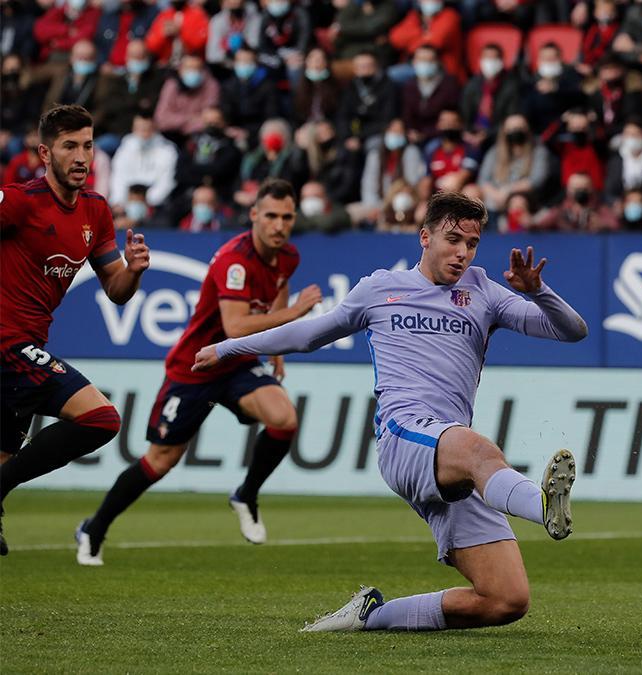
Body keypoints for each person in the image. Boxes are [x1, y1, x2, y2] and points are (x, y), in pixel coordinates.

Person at [191, 192, 588, 633]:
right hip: (404, 438)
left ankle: (371, 616)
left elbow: (571, 331)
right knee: (478, 450)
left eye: (472, 244)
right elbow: (308, 335)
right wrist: (228, 349)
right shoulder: (380, 288)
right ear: (425, 236)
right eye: (453, 239)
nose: (462, 253)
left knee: (506, 600)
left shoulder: (483, 291)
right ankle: (543, 505)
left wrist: (540, 293)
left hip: (448, 456)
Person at [75, 178, 322, 566]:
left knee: (284, 419)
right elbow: (236, 326)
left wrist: (276, 350)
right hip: (195, 367)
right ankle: (94, 528)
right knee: (161, 459)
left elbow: (278, 288)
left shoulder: (287, 256)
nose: (279, 225)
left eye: (286, 217)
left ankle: (246, 495)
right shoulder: (233, 260)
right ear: (254, 215)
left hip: (236, 362)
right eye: (271, 216)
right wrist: (294, 315)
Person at [0, 104, 152, 555]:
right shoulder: (20, 201)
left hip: (27, 348)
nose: (81, 156)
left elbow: (117, 290)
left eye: (87, 145)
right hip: (7, 342)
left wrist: (135, 271)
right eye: (70, 146)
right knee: (101, 418)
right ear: (45, 153)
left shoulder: (96, 211)